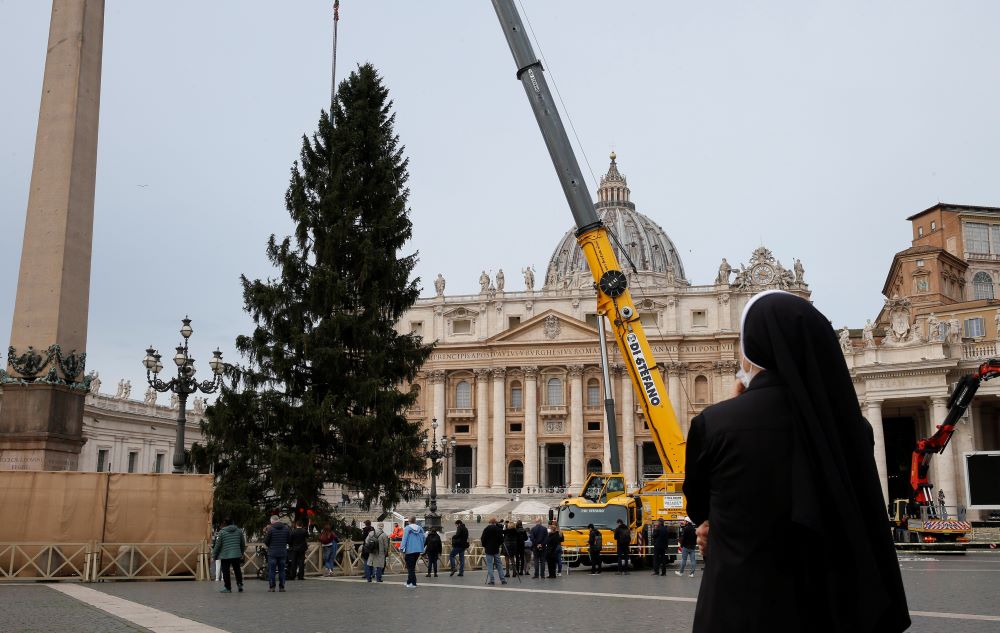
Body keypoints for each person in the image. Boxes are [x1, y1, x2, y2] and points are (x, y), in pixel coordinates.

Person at [683, 290, 910, 632]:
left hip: (740, 609)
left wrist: (732, 408)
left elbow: (699, 508)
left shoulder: (713, 424)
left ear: (755, 348)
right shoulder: (853, 428)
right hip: (829, 609)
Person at [211, 517, 246, 593]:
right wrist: (241, 552)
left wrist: (214, 555)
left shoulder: (222, 532)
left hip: (225, 555)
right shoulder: (239, 531)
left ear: (225, 524)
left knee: (225, 571)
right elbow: (242, 544)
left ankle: (228, 587)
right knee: (237, 570)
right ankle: (239, 584)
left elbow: (218, 545)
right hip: (236, 554)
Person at [263, 516, 289, 592]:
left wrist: (270, 546)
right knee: (282, 570)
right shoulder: (286, 529)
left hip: (272, 552)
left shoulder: (271, 529)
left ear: (272, 521)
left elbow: (266, 541)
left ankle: (272, 587)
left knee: (272, 570)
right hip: (282, 552)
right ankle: (282, 587)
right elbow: (289, 540)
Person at [480, 517, 507, 586]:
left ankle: (492, 580)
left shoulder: (486, 529)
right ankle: (503, 579)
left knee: (489, 564)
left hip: (488, 549)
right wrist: (498, 544)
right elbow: (502, 539)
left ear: (489, 522)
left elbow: (482, 539)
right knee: (499, 564)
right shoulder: (498, 529)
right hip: (496, 549)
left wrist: (485, 545)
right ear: (495, 523)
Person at [400, 516, 426, 588]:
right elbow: (424, 538)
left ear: (409, 521)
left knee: (410, 568)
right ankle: (409, 581)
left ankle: (413, 583)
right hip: (418, 550)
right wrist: (421, 546)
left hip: (410, 550)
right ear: (415, 521)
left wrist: (402, 548)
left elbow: (404, 539)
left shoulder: (407, 528)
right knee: (412, 566)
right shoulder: (420, 528)